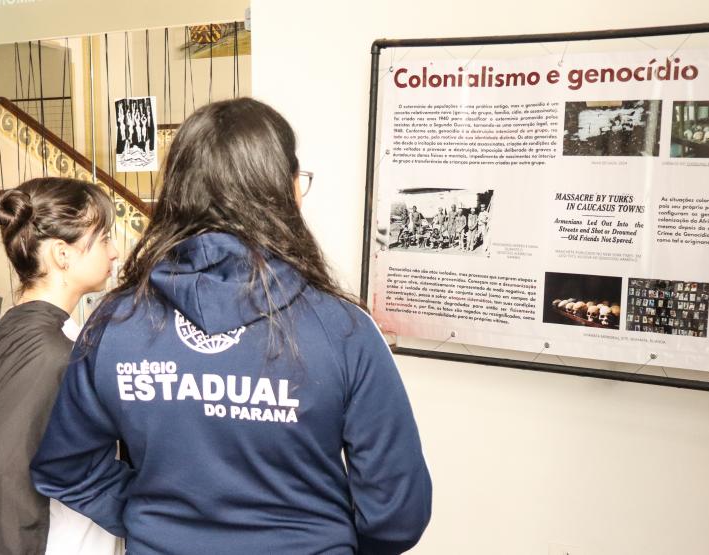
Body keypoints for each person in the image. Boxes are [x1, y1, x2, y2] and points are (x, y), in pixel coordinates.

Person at [31, 98, 432, 554]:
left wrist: (154, 518)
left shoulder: (115, 322)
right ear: (284, 191)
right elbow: (397, 513)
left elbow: (66, 467)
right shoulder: (344, 330)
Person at [0, 177, 119, 554]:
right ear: (62, 254)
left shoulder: (16, 329)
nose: (114, 252)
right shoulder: (51, 351)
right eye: (103, 239)